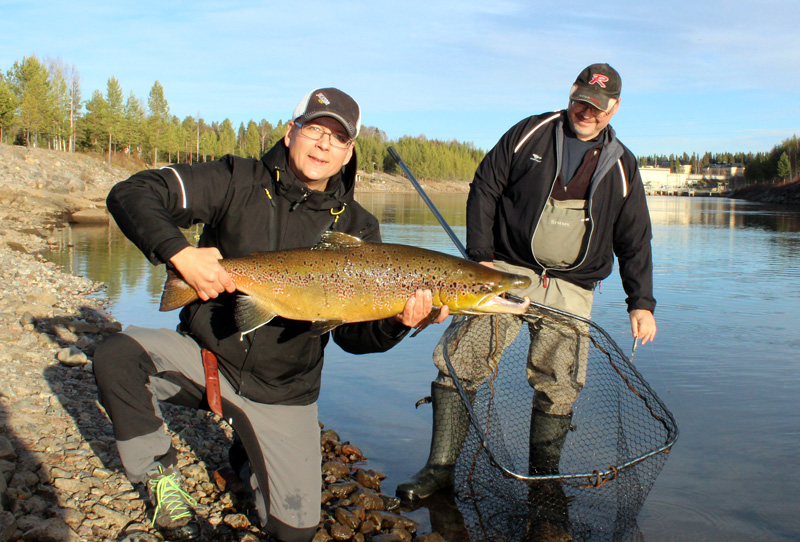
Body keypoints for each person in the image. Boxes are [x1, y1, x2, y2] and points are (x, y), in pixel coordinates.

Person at [92, 87, 448, 542]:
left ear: (349, 152)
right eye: (315, 129)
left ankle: (247, 453)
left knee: (293, 532)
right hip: (208, 360)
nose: (323, 145)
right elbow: (133, 192)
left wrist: (400, 322)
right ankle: (159, 477)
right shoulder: (235, 179)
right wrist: (179, 253)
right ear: (290, 132)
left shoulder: (358, 228)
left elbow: (354, 339)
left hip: (285, 390)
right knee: (117, 355)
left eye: (337, 138)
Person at [396, 64, 657, 506]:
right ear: (571, 94)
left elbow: (635, 238)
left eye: (597, 107)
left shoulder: (624, 165)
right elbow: (485, 187)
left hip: (573, 285)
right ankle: (439, 469)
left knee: (560, 381)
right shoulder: (529, 133)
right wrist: (479, 257)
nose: (586, 112)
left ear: (614, 109)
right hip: (503, 270)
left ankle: (544, 480)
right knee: (461, 359)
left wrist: (641, 303)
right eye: (581, 102)